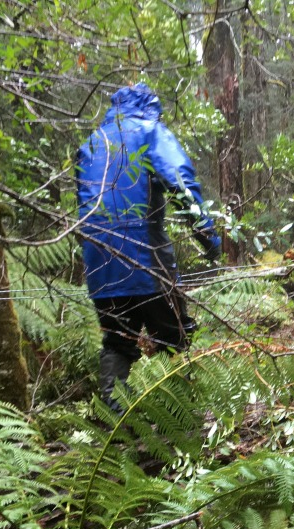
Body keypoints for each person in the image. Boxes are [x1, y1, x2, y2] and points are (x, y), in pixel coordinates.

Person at [76, 83, 221, 408]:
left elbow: (83, 206)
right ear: (150, 108)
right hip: (147, 261)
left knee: (117, 342)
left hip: (99, 267)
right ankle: (185, 424)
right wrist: (208, 238)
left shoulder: (92, 143)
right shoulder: (150, 132)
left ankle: (115, 430)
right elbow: (181, 184)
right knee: (176, 338)